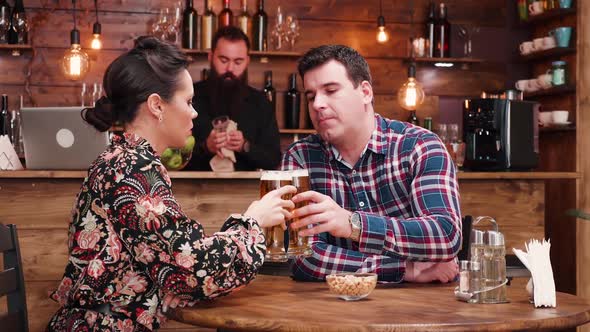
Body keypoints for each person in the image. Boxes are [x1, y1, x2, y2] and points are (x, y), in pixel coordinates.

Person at [46, 36, 295, 332]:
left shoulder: (124, 158)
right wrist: (254, 220)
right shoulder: (133, 168)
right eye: (188, 102)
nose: (195, 112)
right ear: (156, 106)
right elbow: (188, 271)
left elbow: (174, 256)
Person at [282, 45, 461, 283]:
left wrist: (352, 224)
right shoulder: (300, 157)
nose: (317, 104)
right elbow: (302, 256)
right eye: (311, 96)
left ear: (365, 92)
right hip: (331, 311)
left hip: (419, 312)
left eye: (331, 90)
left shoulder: (420, 146)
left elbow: (445, 234)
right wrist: (405, 269)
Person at [185, 26, 281, 171]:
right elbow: (171, 157)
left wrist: (245, 146)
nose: (230, 68)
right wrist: (205, 147)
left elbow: (273, 159)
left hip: (246, 192)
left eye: (238, 62)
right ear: (211, 57)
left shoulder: (260, 103)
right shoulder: (189, 98)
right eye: (223, 60)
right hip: (194, 190)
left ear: (247, 61)